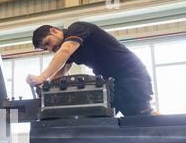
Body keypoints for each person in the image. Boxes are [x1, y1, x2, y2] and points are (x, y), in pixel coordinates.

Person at [26, 22, 154, 116]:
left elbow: (65, 50)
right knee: (101, 121)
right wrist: (46, 87)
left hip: (131, 77)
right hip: (110, 86)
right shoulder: (69, 50)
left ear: (54, 31)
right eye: (45, 48)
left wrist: (42, 77)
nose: (49, 49)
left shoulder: (77, 28)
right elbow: (62, 69)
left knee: (141, 121)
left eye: (47, 43)